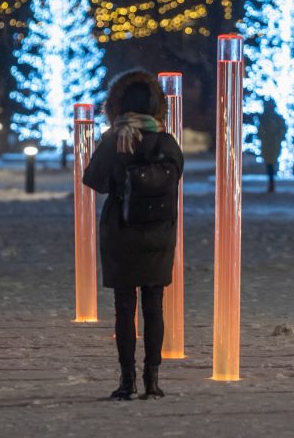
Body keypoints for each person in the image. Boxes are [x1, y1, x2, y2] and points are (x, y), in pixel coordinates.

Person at [83, 69, 184, 401]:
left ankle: (127, 382)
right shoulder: (166, 141)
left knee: (124, 308)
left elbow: (94, 181)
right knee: (154, 306)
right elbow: (176, 177)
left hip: (121, 232)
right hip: (159, 232)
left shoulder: (115, 140)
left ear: (119, 105)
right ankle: (152, 380)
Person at [257, 99, 286, 193]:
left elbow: (282, 129)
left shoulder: (274, 118)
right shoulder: (265, 118)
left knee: (271, 163)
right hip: (269, 143)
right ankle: (271, 182)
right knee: (269, 163)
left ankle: (272, 182)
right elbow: (260, 131)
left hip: (272, 143)